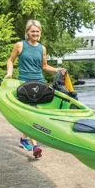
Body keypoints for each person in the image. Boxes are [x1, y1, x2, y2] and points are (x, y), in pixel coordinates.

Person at [6, 19, 66, 159]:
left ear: (40, 32)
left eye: (37, 31)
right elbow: (10, 60)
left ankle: (23, 139)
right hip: (25, 84)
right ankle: (35, 146)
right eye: (33, 31)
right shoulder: (20, 45)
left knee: (35, 113)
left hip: (40, 83)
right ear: (27, 32)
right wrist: (9, 73)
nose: (35, 33)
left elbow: (44, 67)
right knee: (32, 113)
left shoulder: (42, 48)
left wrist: (57, 69)